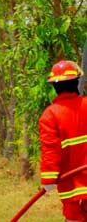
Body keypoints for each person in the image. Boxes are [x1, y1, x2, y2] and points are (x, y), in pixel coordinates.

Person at [39, 60, 87, 222]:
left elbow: (50, 151)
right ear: (76, 82)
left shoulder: (50, 115)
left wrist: (48, 180)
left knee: (73, 218)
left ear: (55, 87)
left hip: (71, 185)